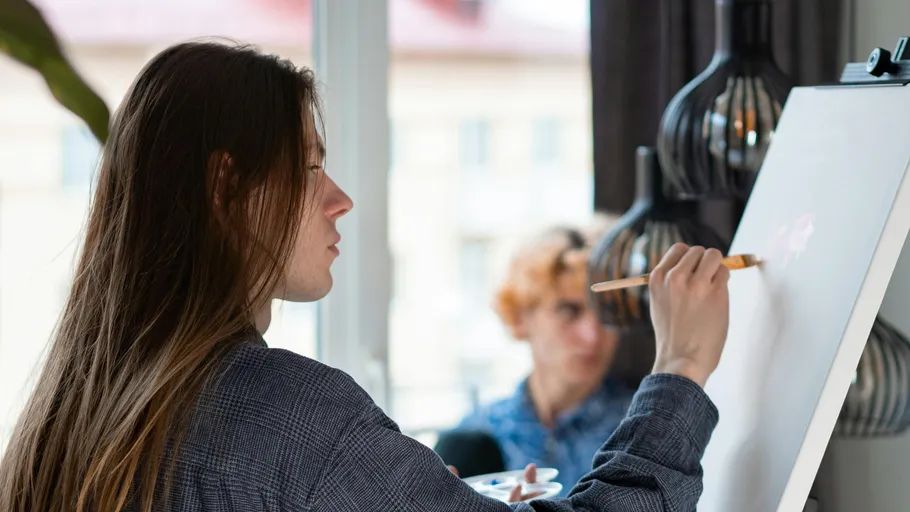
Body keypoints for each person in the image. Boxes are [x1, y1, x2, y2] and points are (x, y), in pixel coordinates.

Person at [0, 41, 731, 512]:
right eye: (311, 166)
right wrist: (682, 367)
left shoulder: (62, 419)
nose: (339, 198)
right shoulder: (287, 412)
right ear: (227, 187)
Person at [438, 222, 637, 494]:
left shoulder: (643, 435)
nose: (593, 335)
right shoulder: (472, 438)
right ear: (521, 317)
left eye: (607, 313)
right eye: (570, 310)